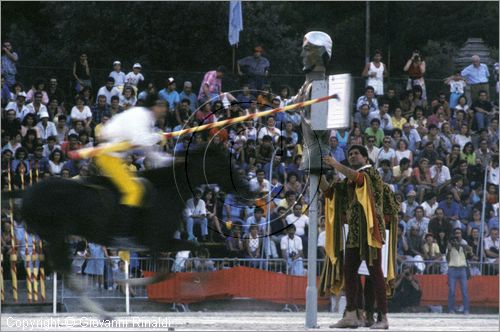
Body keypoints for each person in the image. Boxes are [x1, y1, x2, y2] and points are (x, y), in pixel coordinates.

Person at [319, 145, 397, 329]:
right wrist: (317, 175)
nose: (352, 156)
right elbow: (329, 193)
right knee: (350, 272)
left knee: (375, 273)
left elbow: (359, 178)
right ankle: (352, 314)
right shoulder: (347, 181)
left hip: (370, 231)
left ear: (365, 158)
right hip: (355, 232)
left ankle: (383, 318)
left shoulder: (372, 173)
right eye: (350, 154)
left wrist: (335, 163)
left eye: (356, 154)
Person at [95, 105, 168, 223]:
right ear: (154, 107)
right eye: (161, 107)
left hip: (115, 159)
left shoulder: (143, 120)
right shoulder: (140, 116)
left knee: (142, 185)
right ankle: (120, 231)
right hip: (108, 157)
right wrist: (157, 137)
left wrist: (169, 159)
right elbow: (140, 140)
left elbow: (147, 150)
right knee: (134, 191)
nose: (164, 110)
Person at [446, 228, 471, 314]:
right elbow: (447, 260)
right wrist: (449, 250)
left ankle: (466, 309)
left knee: (464, 291)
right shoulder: (449, 245)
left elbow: (470, 251)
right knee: (452, 291)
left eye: (459, 233)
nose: (458, 235)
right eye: (456, 233)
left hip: (462, 269)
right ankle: (450, 309)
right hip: (452, 269)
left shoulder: (463, 244)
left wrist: (460, 245)